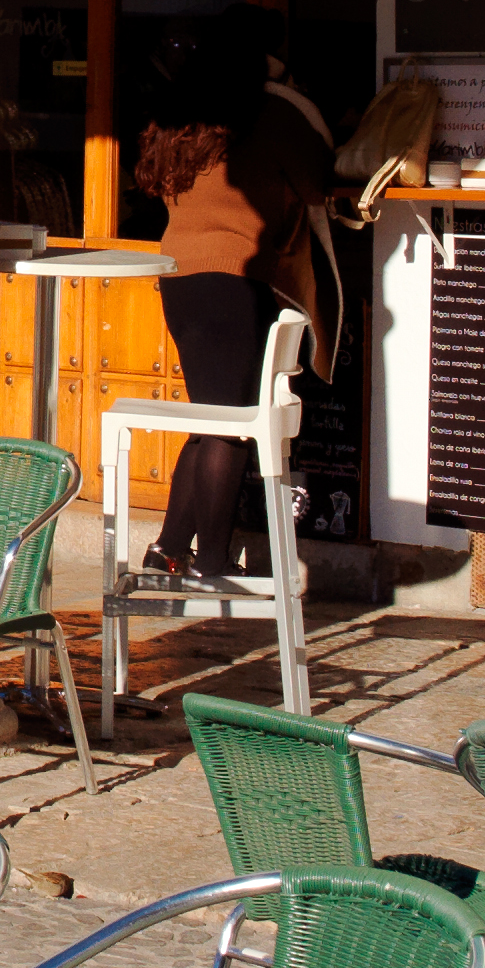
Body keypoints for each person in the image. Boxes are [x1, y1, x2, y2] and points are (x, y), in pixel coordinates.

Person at [133, 29, 326, 580]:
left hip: (179, 279)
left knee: (209, 417)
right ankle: (213, 563)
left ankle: (170, 547)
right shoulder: (269, 117)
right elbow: (316, 182)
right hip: (234, 279)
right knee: (229, 427)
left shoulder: (181, 120)